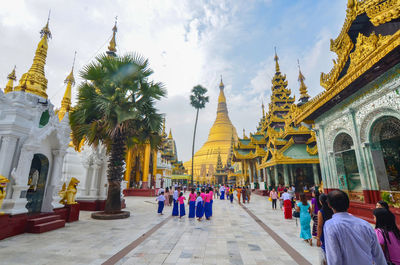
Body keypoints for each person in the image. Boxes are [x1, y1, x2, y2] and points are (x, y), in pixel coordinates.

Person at [324, 190, 386, 265]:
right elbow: (378, 255)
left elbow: (334, 259)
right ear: (348, 203)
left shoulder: (330, 226)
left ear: (329, 205)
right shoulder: (365, 224)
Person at [316, 193, 333, 264]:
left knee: (325, 249)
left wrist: (318, 238)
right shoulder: (332, 209)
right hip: (332, 230)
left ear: (320, 201)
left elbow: (319, 226)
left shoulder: (321, 212)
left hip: (325, 233)